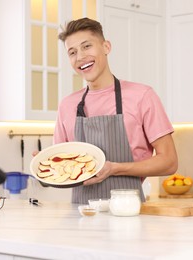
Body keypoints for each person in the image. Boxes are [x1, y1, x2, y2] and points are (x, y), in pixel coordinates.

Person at [54, 17, 178, 204]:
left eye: (87, 46)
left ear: (106, 47)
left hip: (130, 212)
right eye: (72, 52)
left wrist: (114, 168)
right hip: (81, 215)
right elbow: (62, 171)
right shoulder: (66, 106)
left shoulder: (142, 96)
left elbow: (169, 162)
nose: (80, 57)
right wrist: (44, 169)